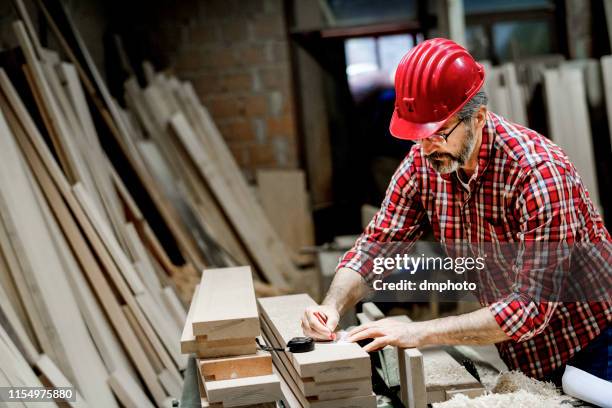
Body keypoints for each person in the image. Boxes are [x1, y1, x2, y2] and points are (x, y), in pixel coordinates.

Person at [301, 38, 611, 382]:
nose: (427, 147)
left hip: (596, 344)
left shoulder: (538, 174)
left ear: (477, 118)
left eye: (438, 133)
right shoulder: (425, 162)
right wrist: (331, 305)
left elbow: (530, 309)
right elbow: (376, 246)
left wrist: (419, 332)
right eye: (418, 136)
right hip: (521, 352)